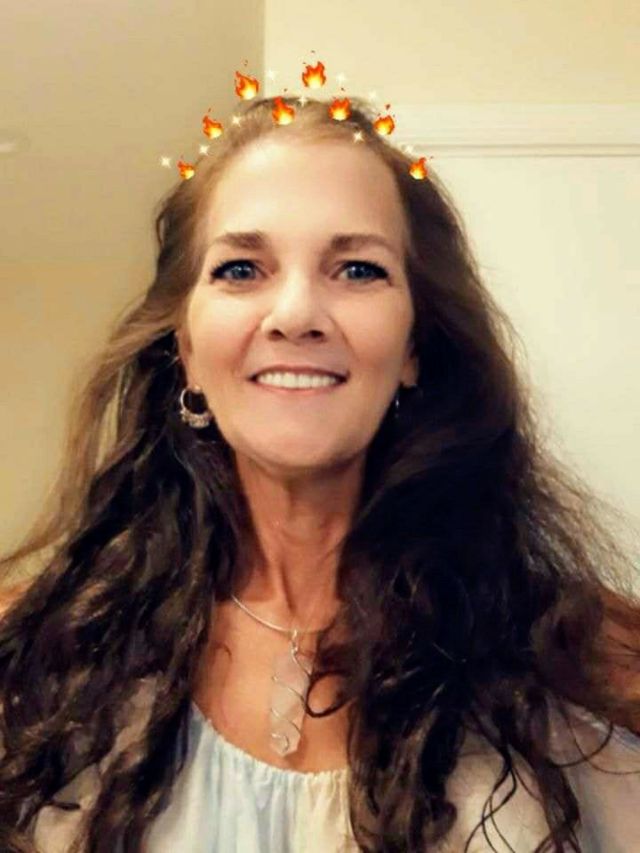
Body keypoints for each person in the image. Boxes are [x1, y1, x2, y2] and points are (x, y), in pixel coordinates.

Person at [0, 93, 639, 853]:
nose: (296, 313)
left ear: (413, 347)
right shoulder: (40, 653)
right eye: (241, 269)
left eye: (358, 269)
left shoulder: (579, 654)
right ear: (187, 350)